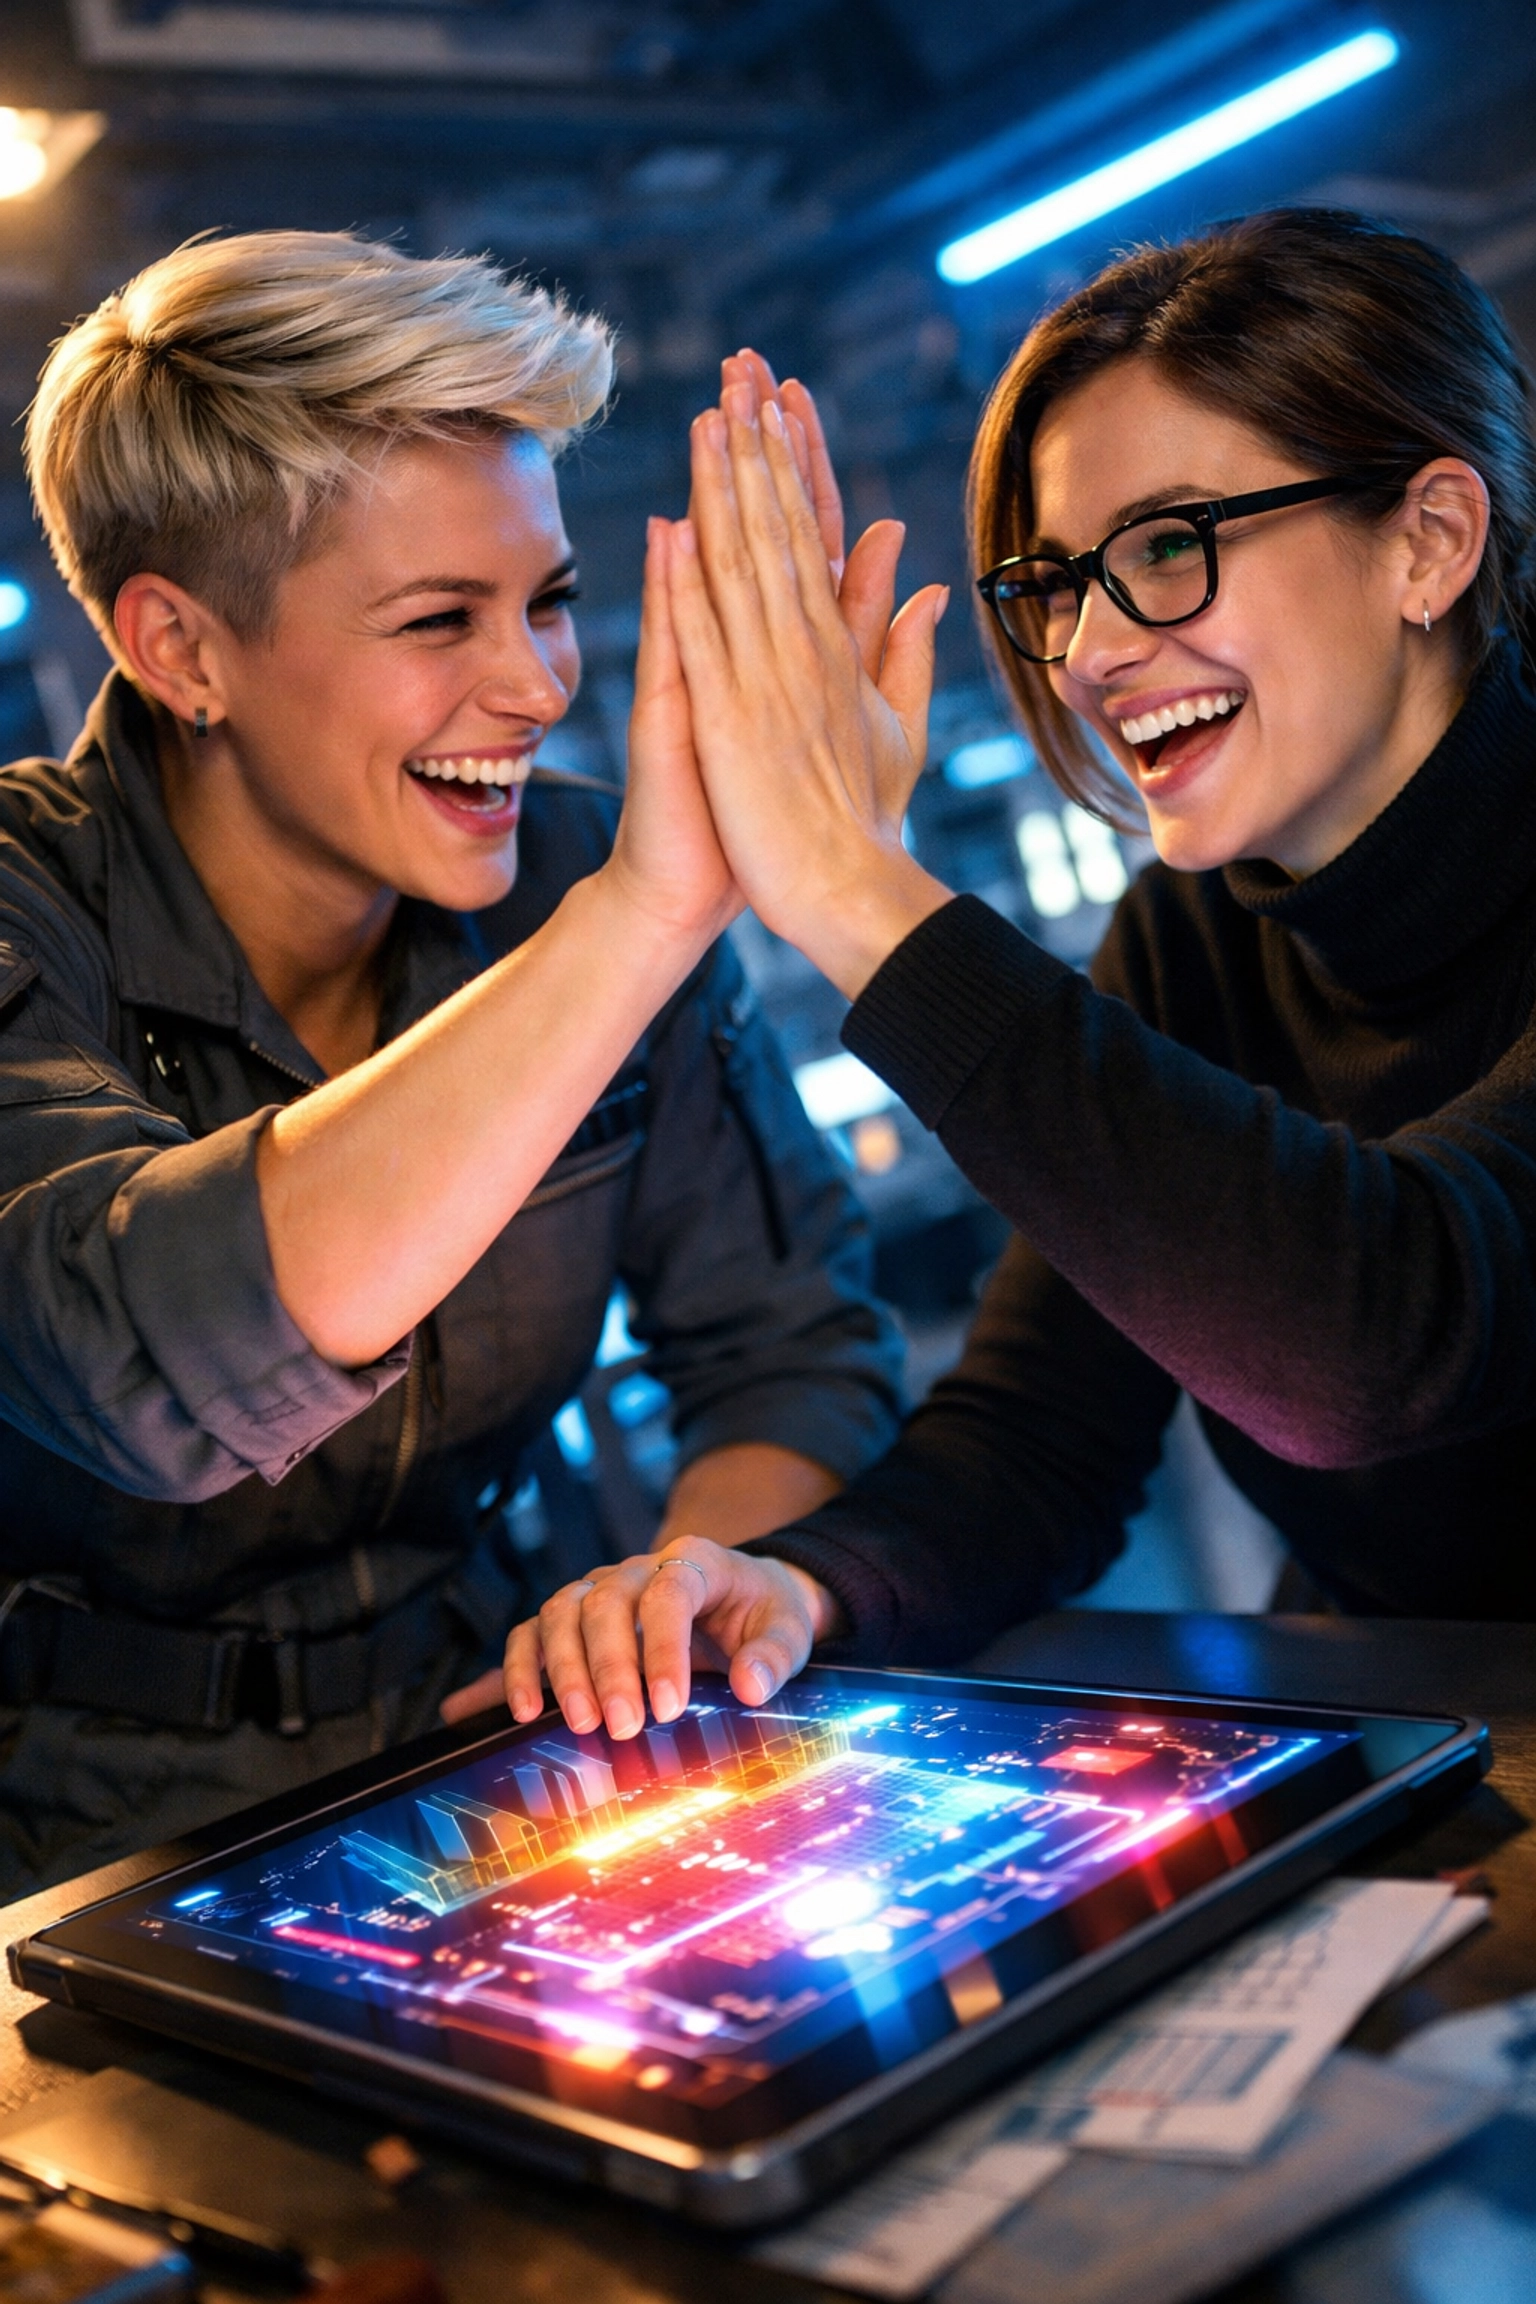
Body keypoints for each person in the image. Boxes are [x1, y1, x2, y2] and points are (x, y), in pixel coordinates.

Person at [513, 207, 1536, 1740]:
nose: (1092, 653)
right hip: (1440, 1739)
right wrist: (800, 1586)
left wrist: (857, 887)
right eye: (1058, 584)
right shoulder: (1198, 938)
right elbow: (1043, 1436)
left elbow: (1388, 1335)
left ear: (1429, 542)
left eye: (1170, 549)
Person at [0, 229, 909, 1891]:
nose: (539, 683)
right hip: (73, 1837)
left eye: (550, 602)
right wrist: (643, 919)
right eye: (441, 620)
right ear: (180, 648)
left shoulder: (574, 883)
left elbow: (791, 1345)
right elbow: (143, 1360)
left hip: (500, 1742)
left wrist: (696, 1582)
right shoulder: (23, 909)